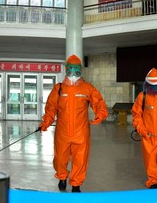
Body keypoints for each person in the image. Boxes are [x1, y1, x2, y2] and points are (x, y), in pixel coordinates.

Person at [39, 54, 108, 192]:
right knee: (60, 158)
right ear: (66, 70)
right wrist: (46, 121)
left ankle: (76, 184)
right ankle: (62, 177)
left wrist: (100, 114)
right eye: (70, 69)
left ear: (80, 70)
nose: (73, 73)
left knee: (80, 159)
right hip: (62, 132)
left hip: (81, 132)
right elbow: (51, 107)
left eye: (76, 70)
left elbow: (98, 102)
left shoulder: (88, 88)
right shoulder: (58, 89)